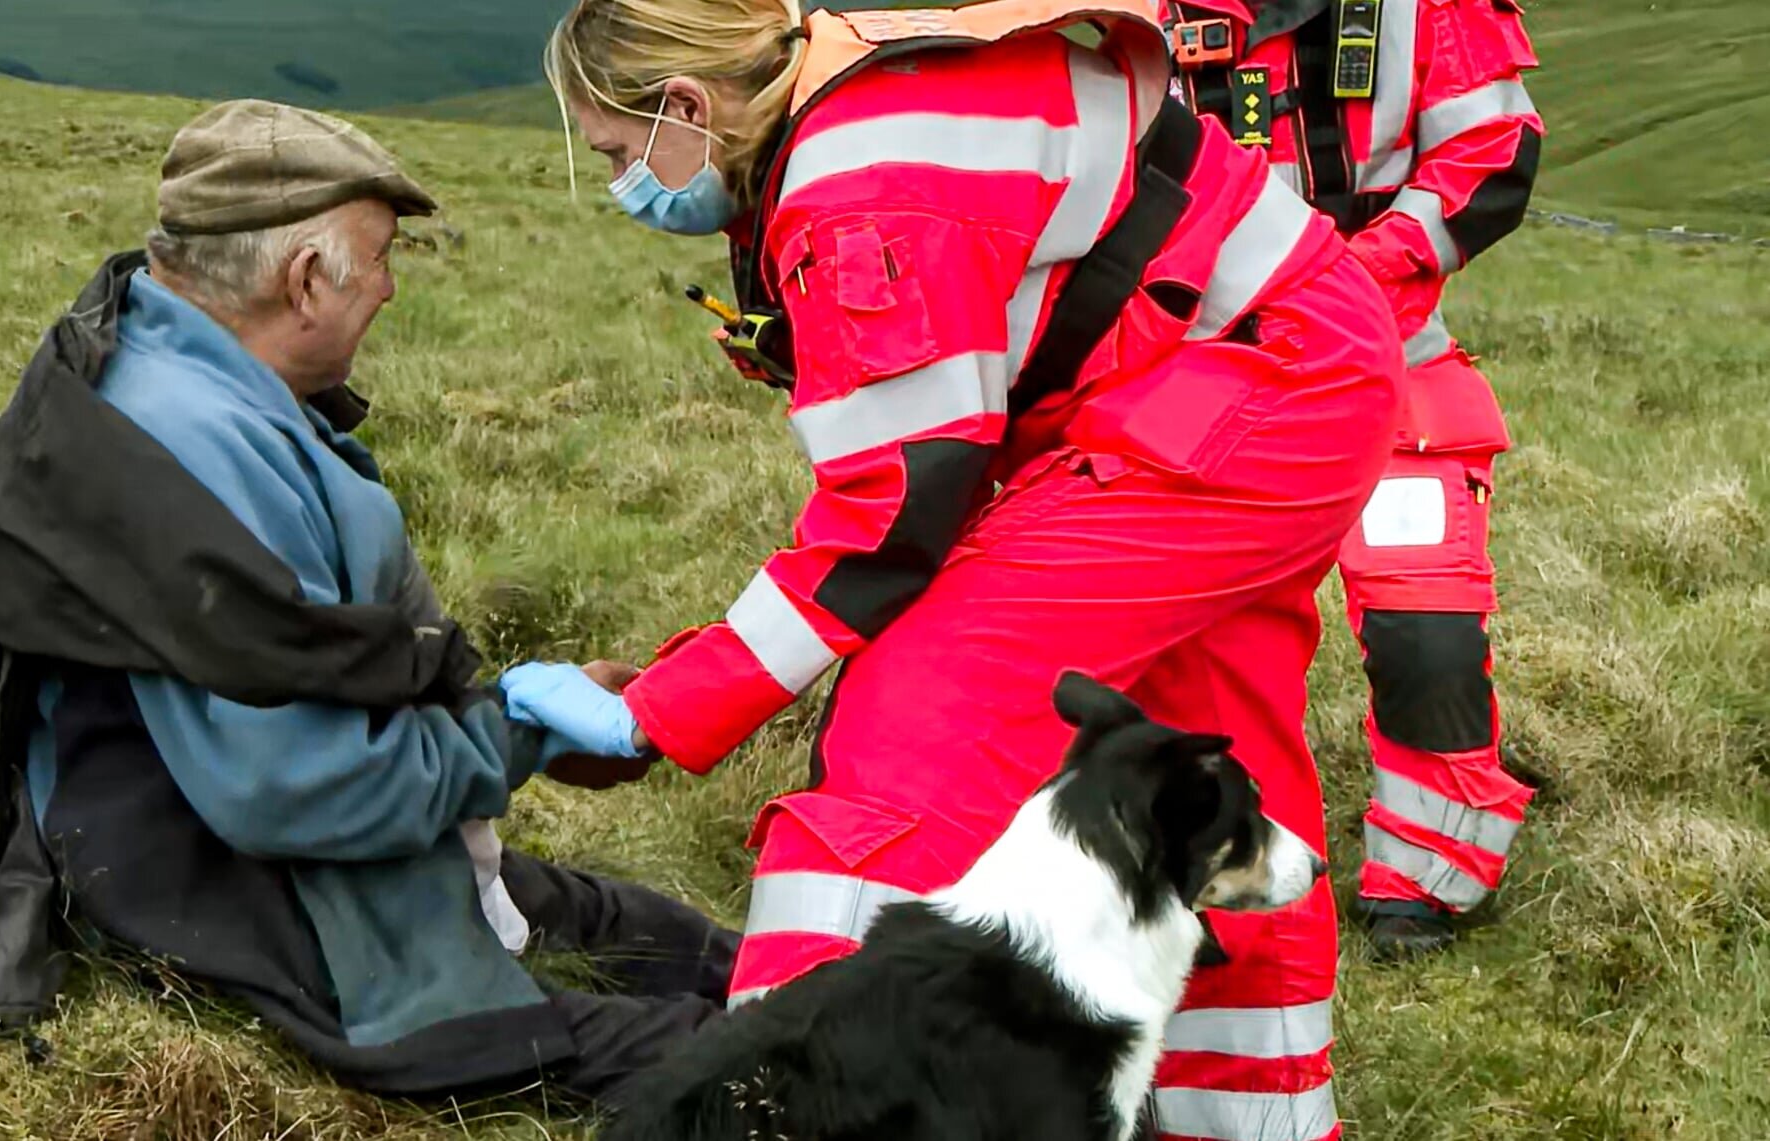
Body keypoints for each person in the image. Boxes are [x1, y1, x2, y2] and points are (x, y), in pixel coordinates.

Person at [505, 1, 1404, 1137]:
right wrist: (667, 690)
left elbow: (891, 518)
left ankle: (782, 1106)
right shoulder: (863, 94)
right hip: (1276, 371)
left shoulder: (862, 184)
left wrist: (654, 716)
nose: (631, 183)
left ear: (686, 108)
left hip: (1219, 402)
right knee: (1179, 763)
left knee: (907, 739)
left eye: (620, 152)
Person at [0, 99, 735, 1109]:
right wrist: (513, 737)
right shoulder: (186, 461)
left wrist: (504, 724)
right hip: (227, 883)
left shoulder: (162, 358)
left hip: (263, 822)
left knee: (696, 947)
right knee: (720, 1059)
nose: (388, 287)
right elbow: (293, 790)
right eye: (378, 257)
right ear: (302, 281)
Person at [1159, 0, 1544, 958]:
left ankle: (1427, 876)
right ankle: (1193, 864)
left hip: (1389, 369)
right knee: (1182, 651)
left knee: (1427, 637)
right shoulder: (1116, 15)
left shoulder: (1429, 12)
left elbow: (1492, 158)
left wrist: (1342, 281)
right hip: (1189, 378)